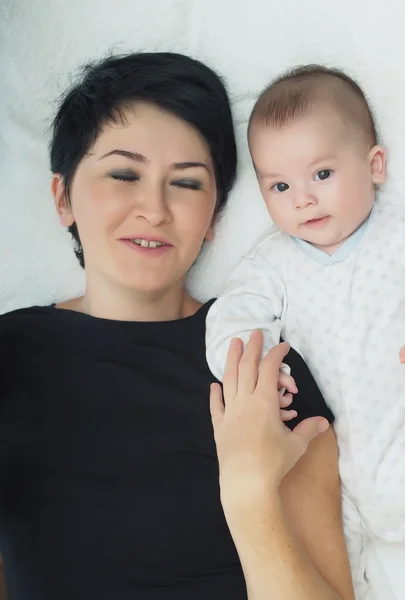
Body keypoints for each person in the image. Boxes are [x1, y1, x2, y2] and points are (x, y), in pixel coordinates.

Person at [0, 52, 354, 600]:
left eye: (186, 184)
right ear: (63, 196)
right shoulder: (11, 357)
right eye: (123, 174)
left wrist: (249, 497)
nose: (155, 209)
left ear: (214, 217)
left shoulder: (261, 367)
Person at [205, 64, 405, 599]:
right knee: (326, 558)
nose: (302, 199)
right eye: (280, 185)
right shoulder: (271, 263)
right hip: (341, 477)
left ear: (374, 165)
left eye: (321, 175)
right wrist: (261, 365)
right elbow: (231, 317)